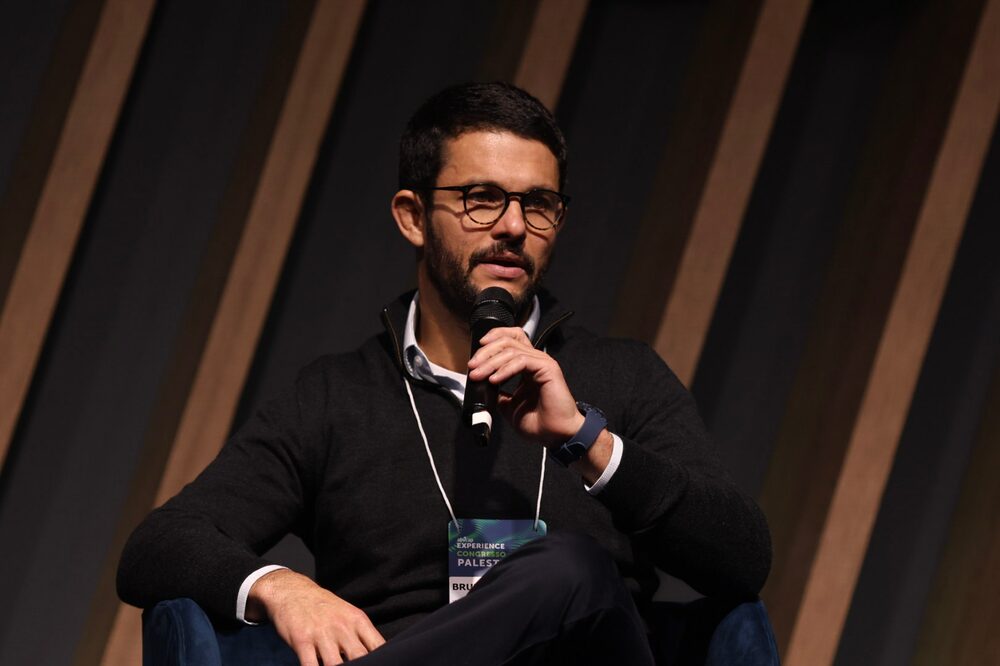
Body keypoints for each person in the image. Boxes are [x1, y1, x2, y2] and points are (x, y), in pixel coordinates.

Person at [118, 82, 771, 665]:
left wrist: (584, 438)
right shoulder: (336, 397)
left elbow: (741, 560)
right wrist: (280, 586)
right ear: (412, 216)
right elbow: (159, 545)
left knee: (572, 573)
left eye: (538, 204)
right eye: (481, 199)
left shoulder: (623, 376)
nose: (513, 226)